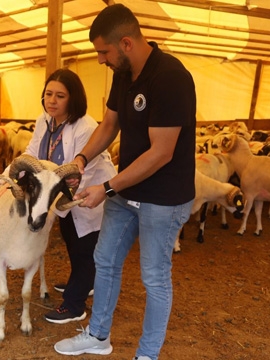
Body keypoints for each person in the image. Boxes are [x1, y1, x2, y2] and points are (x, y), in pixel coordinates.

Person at [53, 4, 196, 360]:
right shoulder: (123, 73)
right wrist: (80, 162)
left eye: (104, 52)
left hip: (164, 198)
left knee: (154, 277)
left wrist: (106, 188)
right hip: (127, 190)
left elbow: (161, 152)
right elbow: (108, 125)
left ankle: (147, 354)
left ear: (127, 42)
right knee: (105, 259)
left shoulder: (171, 78)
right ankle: (98, 336)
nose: (101, 60)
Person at [25, 69, 116, 325]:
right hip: (59, 192)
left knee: (84, 247)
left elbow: (80, 177)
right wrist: (14, 171)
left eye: (60, 96)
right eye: (48, 94)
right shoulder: (44, 119)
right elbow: (32, 150)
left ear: (72, 99)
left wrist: (53, 209)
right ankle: (83, 282)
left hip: (86, 194)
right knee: (72, 241)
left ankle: (75, 306)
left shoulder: (85, 126)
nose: (52, 100)